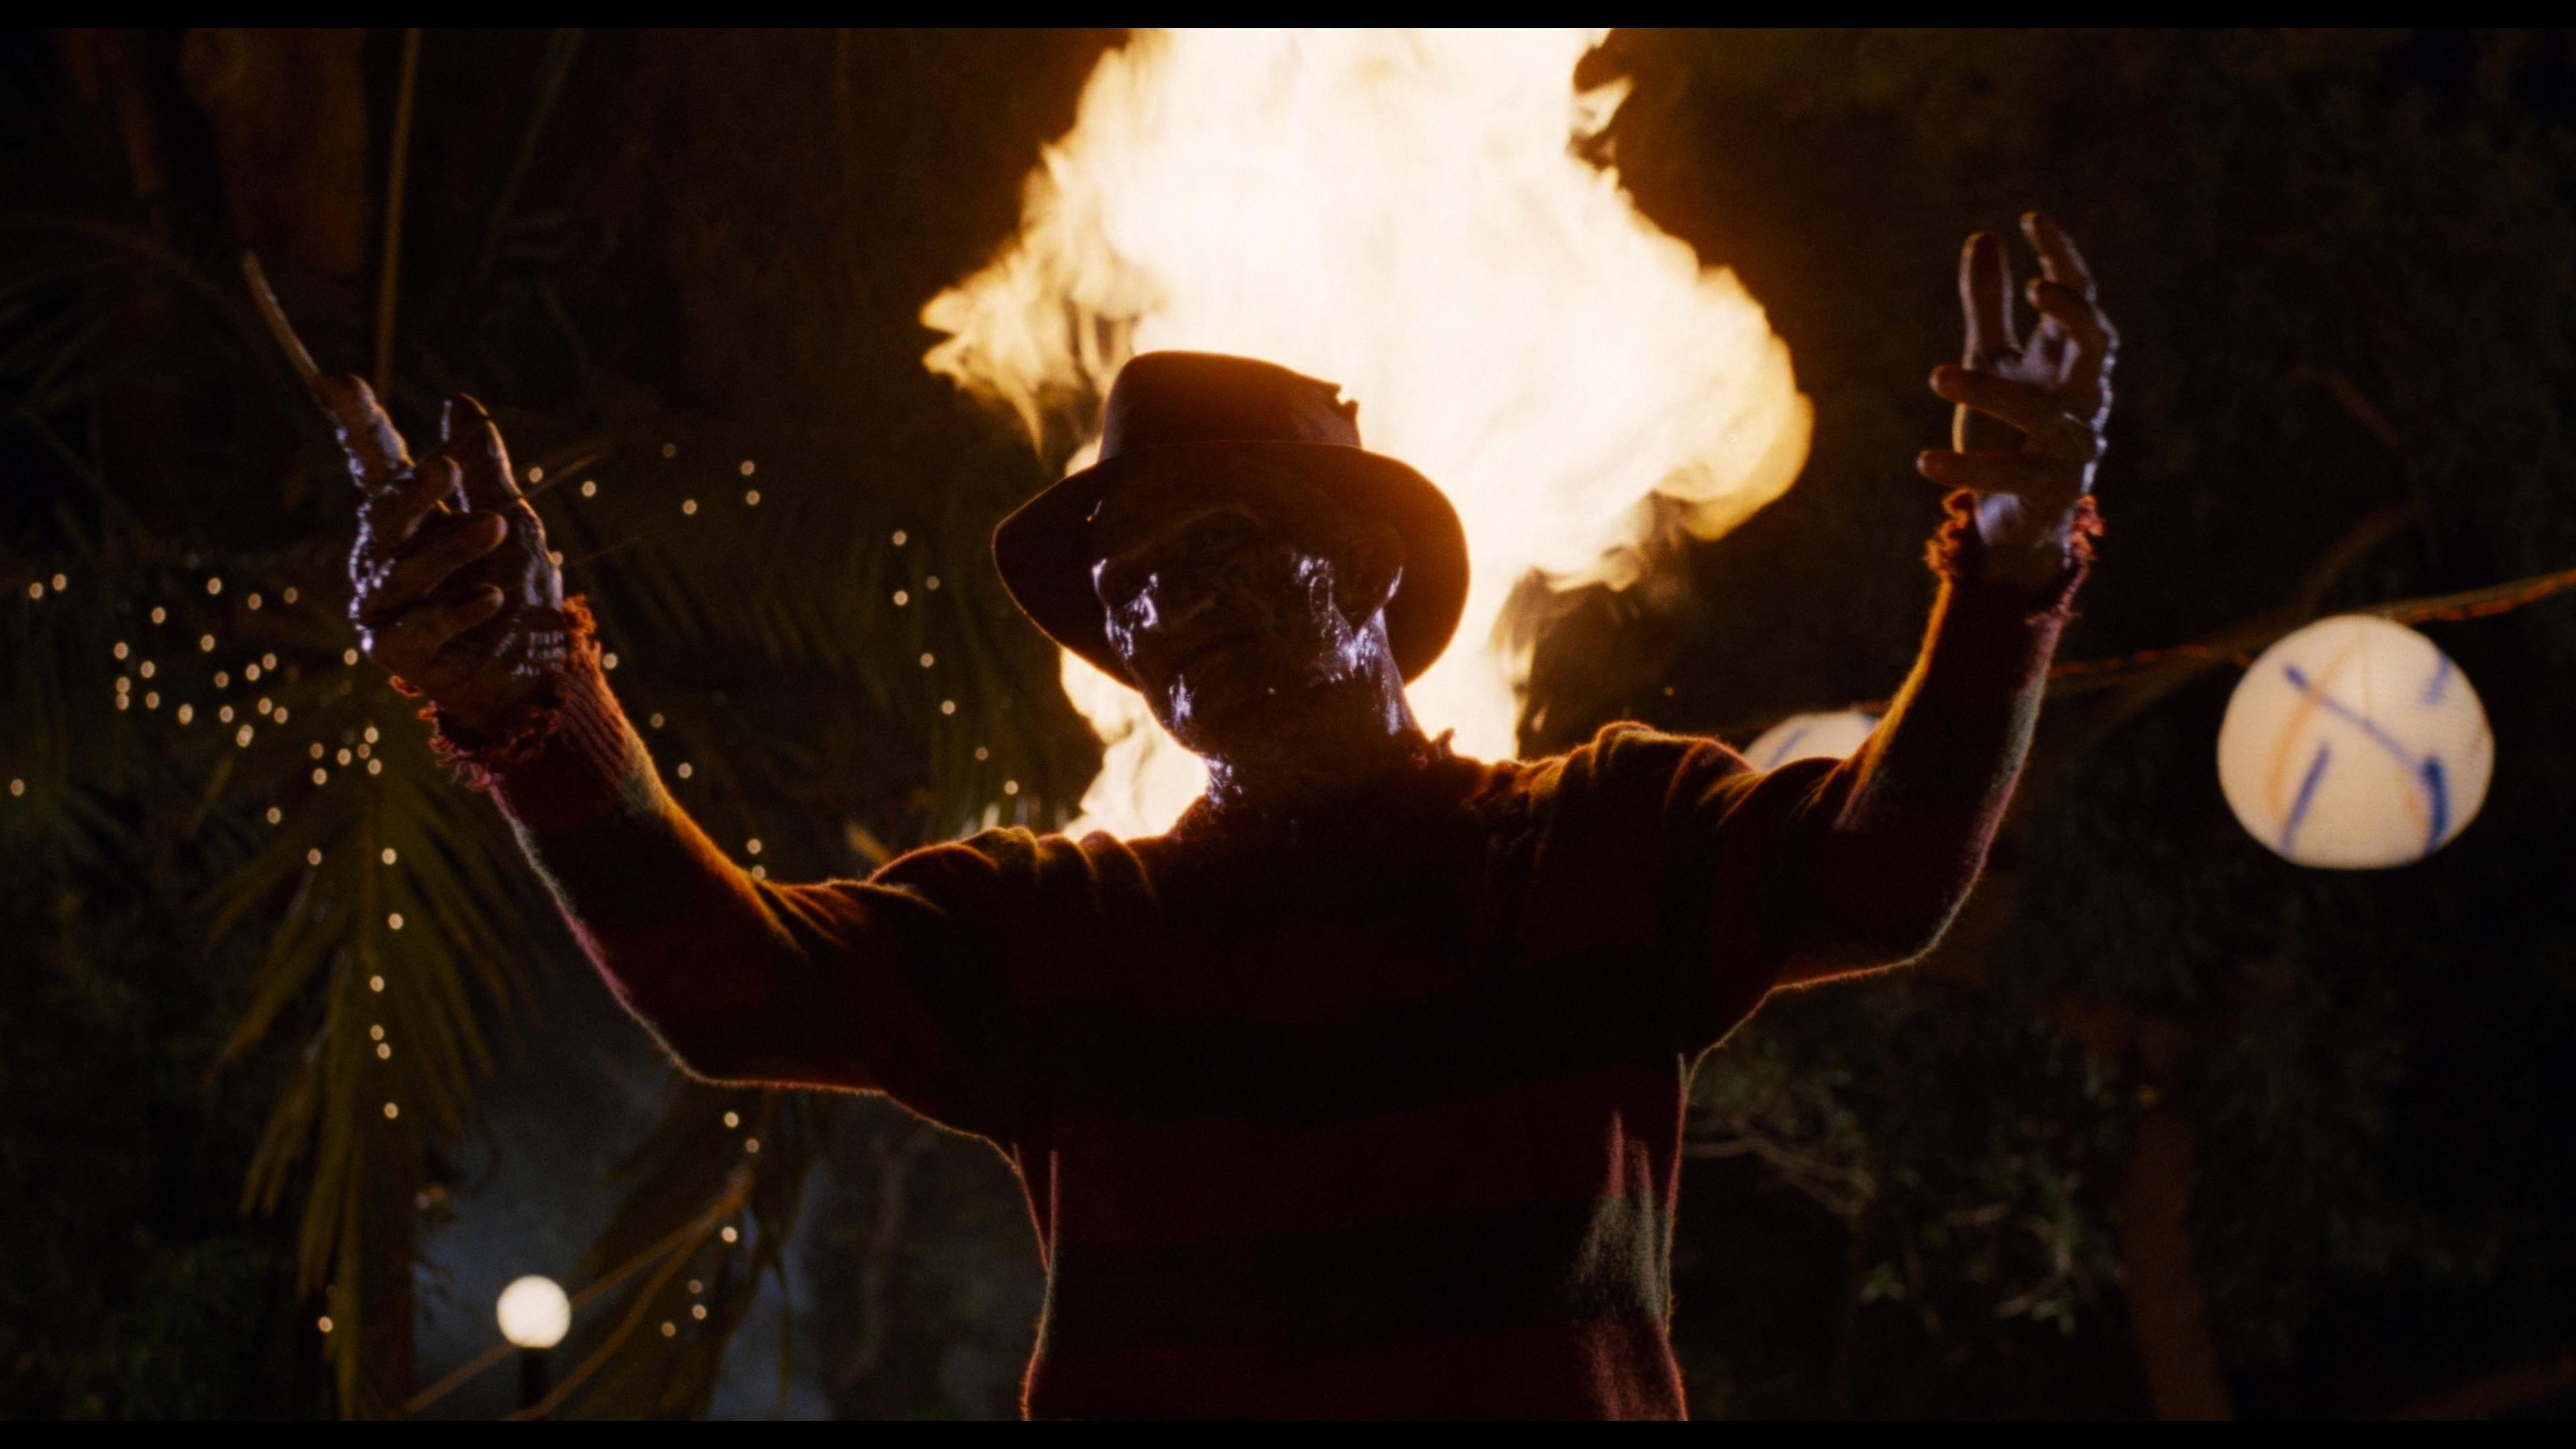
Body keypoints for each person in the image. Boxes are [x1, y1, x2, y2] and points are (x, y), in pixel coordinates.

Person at [327, 213, 2113, 1419]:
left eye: (1232, 545)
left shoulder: (1605, 839)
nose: (1178, 609)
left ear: (1374, 569)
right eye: (1138, 588)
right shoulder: (1056, 934)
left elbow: (1886, 874)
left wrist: (2013, 564)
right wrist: (525, 708)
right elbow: (735, 991)